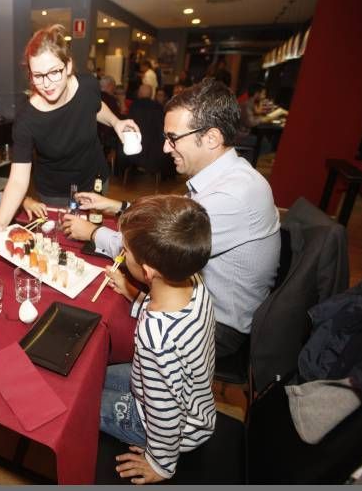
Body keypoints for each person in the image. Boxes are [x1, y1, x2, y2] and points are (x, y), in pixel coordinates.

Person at [63, 78, 281, 358]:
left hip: (218, 327)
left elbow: (153, 248)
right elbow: (172, 218)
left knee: (96, 334)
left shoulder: (232, 197)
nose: (166, 149)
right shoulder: (232, 175)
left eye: (173, 138)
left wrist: (93, 233)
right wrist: (119, 206)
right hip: (206, 304)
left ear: (212, 138)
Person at [99, 195, 216, 484]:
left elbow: (165, 413)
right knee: (90, 377)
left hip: (170, 428)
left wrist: (160, 465)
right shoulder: (195, 281)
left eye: (125, 251)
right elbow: (165, 310)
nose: (122, 255)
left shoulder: (156, 337)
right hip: (191, 401)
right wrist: (133, 294)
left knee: (80, 404)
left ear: (148, 271)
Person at [0, 25, 139, 229]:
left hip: (95, 181)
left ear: (68, 66)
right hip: (55, 193)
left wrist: (116, 122)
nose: (47, 84)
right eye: (38, 75)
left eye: (54, 72)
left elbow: (96, 108)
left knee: (92, 236)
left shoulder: (88, 85)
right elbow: (17, 180)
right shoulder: (27, 119)